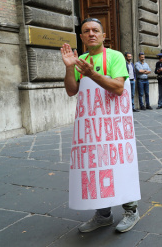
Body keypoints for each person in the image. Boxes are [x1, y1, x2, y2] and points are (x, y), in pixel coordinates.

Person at [60, 17, 140, 233]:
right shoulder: (80, 59)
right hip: (92, 128)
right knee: (97, 168)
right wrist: (70, 68)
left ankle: (131, 210)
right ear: (81, 37)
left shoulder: (115, 56)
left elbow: (118, 88)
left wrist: (91, 73)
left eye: (96, 30)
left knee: (120, 165)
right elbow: (71, 90)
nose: (91, 34)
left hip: (115, 128)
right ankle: (103, 215)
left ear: (104, 35)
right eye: (86, 31)